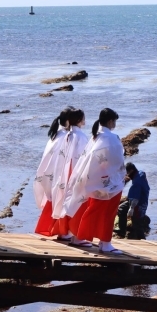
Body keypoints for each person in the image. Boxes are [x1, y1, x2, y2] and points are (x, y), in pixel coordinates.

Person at [64, 108, 126, 254]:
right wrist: (121, 175)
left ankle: (78, 236)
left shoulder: (95, 136)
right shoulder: (112, 138)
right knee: (108, 214)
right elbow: (118, 161)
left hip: (94, 180)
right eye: (114, 121)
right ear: (111, 121)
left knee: (91, 209)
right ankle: (105, 243)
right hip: (110, 183)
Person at [33, 107, 73, 237]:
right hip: (58, 175)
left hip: (50, 175)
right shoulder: (65, 137)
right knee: (61, 200)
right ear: (68, 121)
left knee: (56, 201)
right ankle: (61, 231)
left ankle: (58, 230)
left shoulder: (56, 135)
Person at [50, 107, 87, 243]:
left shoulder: (67, 135)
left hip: (66, 171)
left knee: (64, 200)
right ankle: (75, 234)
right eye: (83, 117)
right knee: (77, 202)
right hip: (76, 171)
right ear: (78, 120)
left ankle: (64, 231)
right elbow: (84, 156)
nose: (85, 120)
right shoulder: (81, 136)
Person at [117, 162, 150, 240]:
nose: (127, 175)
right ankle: (122, 231)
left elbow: (135, 197)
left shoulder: (137, 182)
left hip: (138, 204)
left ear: (131, 171)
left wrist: (131, 208)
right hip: (132, 200)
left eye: (127, 173)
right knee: (121, 209)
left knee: (136, 222)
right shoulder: (139, 174)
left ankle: (142, 239)